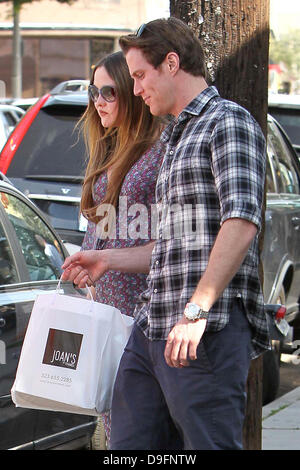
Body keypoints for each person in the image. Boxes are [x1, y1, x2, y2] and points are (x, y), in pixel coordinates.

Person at [62, 18, 270, 450]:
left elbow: (241, 220)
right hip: (152, 322)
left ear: (171, 63)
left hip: (202, 332)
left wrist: (196, 312)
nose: (136, 89)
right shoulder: (178, 135)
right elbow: (173, 245)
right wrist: (107, 259)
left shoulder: (226, 122)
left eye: (139, 75)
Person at [70, 50, 164, 444]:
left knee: (138, 434)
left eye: (109, 91)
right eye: (94, 91)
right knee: (116, 431)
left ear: (132, 90)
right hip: (106, 311)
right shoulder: (112, 147)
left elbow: (169, 241)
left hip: (140, 314)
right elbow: (104, 228)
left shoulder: (159, 152)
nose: (98, 101)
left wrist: (105, 260)